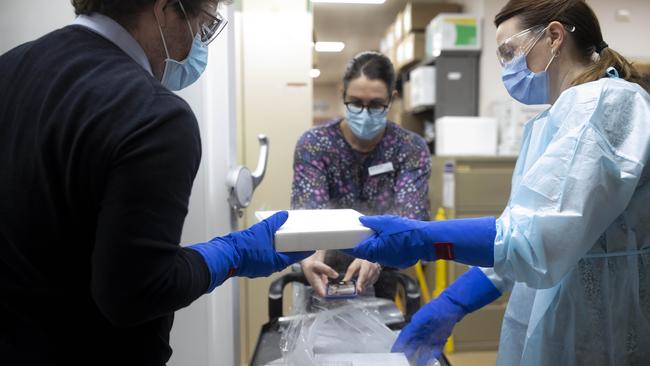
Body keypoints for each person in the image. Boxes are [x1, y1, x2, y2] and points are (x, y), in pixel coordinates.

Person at [0, 1, 311, 364]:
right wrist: (232, 253)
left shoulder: (10, 67)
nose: (198, 40)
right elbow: (136, 293)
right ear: (164, 10)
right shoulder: (153, 114)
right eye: (202, 25)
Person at [349, 1, 650, 365]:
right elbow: (519, 233)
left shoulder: (605, 104)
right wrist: (452, 302)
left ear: (554, 36)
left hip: (601, 328)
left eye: (508, 52)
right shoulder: (556, 119)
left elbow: (532, 242)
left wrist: (424, 240)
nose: (506, 68)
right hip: (560, 317)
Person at [291, 51, 431, 297]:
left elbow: (411, 218)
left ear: (392, 99)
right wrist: (311, 257)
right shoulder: (315, 144)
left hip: (384, 273)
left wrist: (376, 256)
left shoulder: (410, 148)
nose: (365, 113)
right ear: (342, 95)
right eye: (355, 103)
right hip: (322, 273)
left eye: (376, 104)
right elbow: (310, 211)